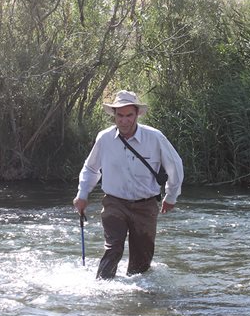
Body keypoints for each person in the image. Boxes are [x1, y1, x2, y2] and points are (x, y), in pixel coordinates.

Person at [72, 90, 184, 279]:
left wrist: (171, 196)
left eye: (129, 115)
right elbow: (91, 169)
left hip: (146, 205)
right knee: (113, 247)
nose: (124, 121)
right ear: (114, 116)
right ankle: (102, 289)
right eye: (120, 115)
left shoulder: (155, 137)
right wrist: (82, 195)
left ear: (137, 114)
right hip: (114, 202)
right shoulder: (104, 138)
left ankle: (138, 298)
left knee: (141, 261)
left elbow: (175, 166)